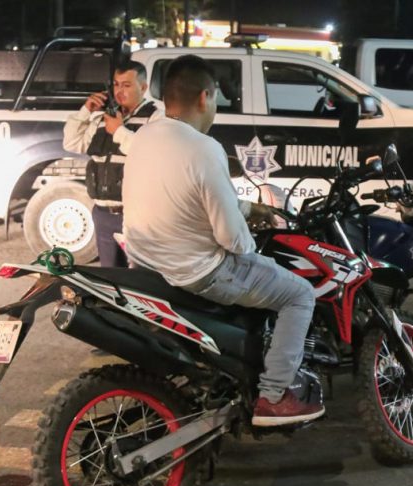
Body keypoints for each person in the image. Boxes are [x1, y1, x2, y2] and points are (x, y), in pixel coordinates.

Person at [122, 55, 323, 427]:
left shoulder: (147, 135)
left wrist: (251, 208)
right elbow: (233, 240)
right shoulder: (204, 148)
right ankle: (274, 396)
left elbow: (189, 193)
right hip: (199, 272)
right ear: (205, 97)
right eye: (216, 99)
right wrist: (252, 242)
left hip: (146, 262)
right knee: (299, 295)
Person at [62, 60, 163, 267]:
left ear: (143, 88)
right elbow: (71, 143)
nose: (119, 91)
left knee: (138, 277)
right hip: (103, 215)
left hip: (136, 217)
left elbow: (151, 155)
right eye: (116, 84)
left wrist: (118, 131)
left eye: (126, 85)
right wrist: (85, 111)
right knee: (110, 277)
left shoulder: (156, 118)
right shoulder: (103, 118)